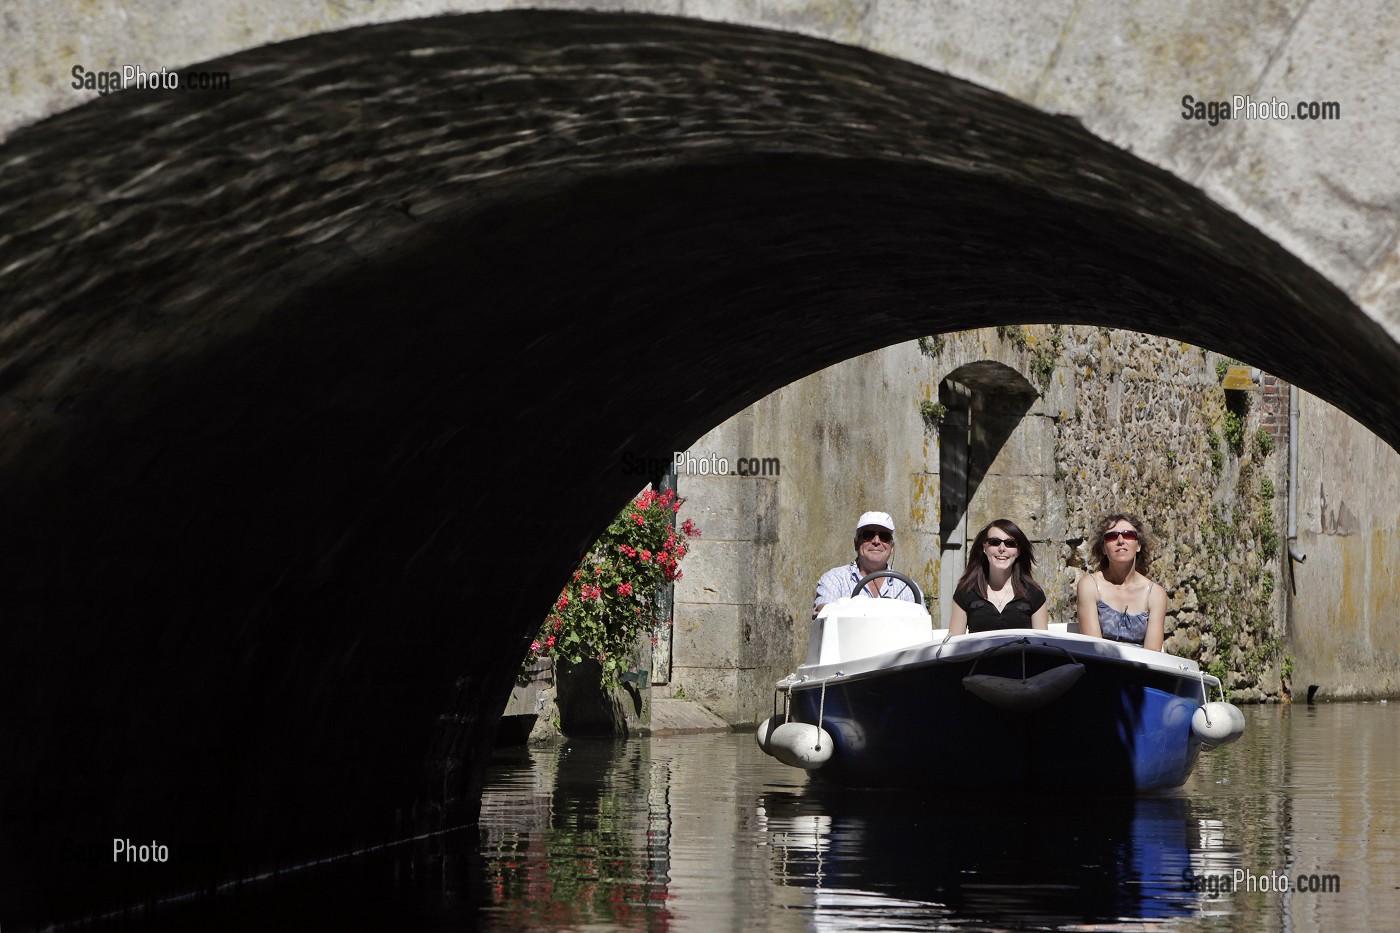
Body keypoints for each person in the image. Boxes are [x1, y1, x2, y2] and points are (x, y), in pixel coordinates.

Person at [1076, 512, 1166, 650]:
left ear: (1138, 545)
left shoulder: (1155, 594)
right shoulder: (1089, 586)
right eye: (1111, 537)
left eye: (1128, 535)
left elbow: (1152, 654)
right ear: (1103, 548)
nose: (1120, 540)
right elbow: (1094, 649)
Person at [948, 519, 1049, 634]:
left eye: (1010, 543)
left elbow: (1042, 644)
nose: (1002, 549)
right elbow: (954, 645)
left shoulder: (1034, 593)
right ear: (984, 547)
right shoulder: (966, 591)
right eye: (994, 542)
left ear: (1018, 551)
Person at [813, 511, 919, 618]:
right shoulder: (835, 579)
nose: (876, 541)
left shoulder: (908, 588)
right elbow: (824, 613)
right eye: (868, 535)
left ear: (892, 548)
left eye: (884, 536)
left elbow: (921, 625)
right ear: (856, 544)